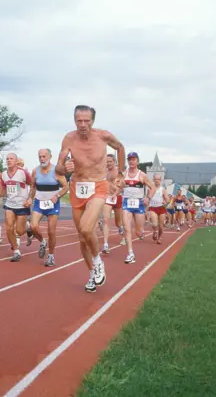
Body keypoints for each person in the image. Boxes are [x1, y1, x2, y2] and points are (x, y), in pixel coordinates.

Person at [55, 105, 125, 292]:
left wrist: (121, 173)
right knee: (83, 237)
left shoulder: (103, 136)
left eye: (87, 120)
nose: (83, 124)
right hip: (77, 189)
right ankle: (93, 273)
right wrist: (65, 168)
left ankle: (97, 261)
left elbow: (120, 147)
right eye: (79, 120)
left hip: (98, 186)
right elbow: (58, 168)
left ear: (93, 121)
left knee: (87, 228)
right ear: (74, 120)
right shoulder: (69, 139)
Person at [25, 148, 69, 267]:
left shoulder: (56, 171)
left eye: (44, 156)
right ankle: (42, 242)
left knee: (51, 231)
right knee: (33, 226)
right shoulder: (35, 171)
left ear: (50, 157)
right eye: (40, 156)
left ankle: (51, 256)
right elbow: (33, 186)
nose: (42, 159)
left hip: (52, 204)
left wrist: (58, 195)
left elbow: (66, 187)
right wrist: (30, 198)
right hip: (39, 202)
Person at [120, 152, 156, 264]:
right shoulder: (123, 174)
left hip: (139, 204)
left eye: (133, 159)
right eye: (129, 159)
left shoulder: (142, 175)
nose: (131, 161)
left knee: (138, 232)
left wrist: (148, 198)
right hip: (126, 204)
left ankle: (141, 232)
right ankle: (130, 253)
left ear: (137, 161)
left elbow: (152, 188)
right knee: (127, 228)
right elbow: (117, 186)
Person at [0, 153, 32, 262]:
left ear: (16, 161)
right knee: (9, 228)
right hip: (10, 204)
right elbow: (3, 190)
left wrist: (30, 198)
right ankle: (16, 251)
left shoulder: (23, 173)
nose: (9, 160)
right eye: (7, 159)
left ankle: (28, 227)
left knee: (20, 231)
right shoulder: (4, 174)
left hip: (22, 204)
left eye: (11, 158)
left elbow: (33, 185)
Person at [100, 154, 126, 253]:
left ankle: (123, 236)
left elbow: (121, 186)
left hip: (117, 197)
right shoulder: (103, 171)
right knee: (106, 220)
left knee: (118, 222)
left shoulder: (119, 171)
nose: (108, 163)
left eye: (110, 161)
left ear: (114, 161)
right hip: (107, 197)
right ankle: (106, 244)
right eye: (106, 161)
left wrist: (115, 194)